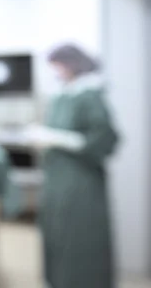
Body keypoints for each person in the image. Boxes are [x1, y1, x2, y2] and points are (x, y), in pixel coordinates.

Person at [28, 44, 119, 288]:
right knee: (56, 233)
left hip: (80, 180)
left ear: (70, 64)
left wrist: (59, 138)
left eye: (57, 65)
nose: (55, 71)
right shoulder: (63, 95)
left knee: (80, 237)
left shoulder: (89, 95)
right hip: (57, 177)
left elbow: (105, 138)